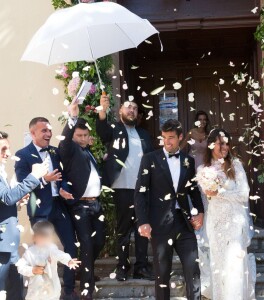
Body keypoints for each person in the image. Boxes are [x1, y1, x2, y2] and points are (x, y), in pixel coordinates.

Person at [135, 119, 204, 300]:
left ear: (181, 137)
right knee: (162, 276)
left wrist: (200, 212)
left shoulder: (188, 161)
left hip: (184, 224)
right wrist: (143, 221)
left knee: (193, 271)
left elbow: (193, 190)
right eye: (164, 137)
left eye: (171, 138)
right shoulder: (149, 159)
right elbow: (140, 193)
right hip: (159, 225)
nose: (167, 142)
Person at [14, 117, 78, 300]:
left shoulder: (55, 152)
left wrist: (63, 188)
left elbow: (62, 175)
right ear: (33, 133)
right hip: (39, 210)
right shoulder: (22, 155)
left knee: (70, 245)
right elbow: (23, 184)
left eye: (49, 130)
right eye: (44, 131)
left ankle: (68, 290)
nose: (49, 134)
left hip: (58, 205)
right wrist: (44, 180)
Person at [96, 95, 154, 281]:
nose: (131, 110)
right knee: (123, 230)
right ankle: (122, 265)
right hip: (122, 188)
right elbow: (102, 132)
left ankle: (141, 267)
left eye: (135, 108)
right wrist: (102, 110)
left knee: (143, 229)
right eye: (128, 107)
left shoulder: (144, 134)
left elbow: (152, 159)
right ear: (120, 111)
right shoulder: (114, 129)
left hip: (142, 190)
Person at [197, 129, 256, 300]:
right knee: (219, 265)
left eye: (226, 143)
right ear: (210, 145)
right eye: (220, 143)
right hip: (215, 222)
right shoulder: (203, 169)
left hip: (235, 222)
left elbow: (244, 194)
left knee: (234, 265)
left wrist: (220, 193)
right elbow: (205, 198)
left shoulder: (235, 165)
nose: (224, 147)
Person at [58, 102, 105, 300]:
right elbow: (65, 140)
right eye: (79, 135)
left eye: (86, 135)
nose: (83, 139)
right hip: (80, 205)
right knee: (86, 246)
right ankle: (87, 291)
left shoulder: (88, 151)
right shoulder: (69, 149)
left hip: (96, 204)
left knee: (99, 241)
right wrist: (72, 117)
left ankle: (84, 269)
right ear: (73, 136)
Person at [0, 131, 48, 300]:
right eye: (3, 149)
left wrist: (17, 202)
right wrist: (34, 176)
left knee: (15, 292)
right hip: (2, 247)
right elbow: (6, 197)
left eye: (8, 148)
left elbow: (6, 200)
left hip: (8, 247)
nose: (8, 153)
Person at [181, 111, 211, 298]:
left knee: (207, 202)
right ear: (195, 121)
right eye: (199, 119)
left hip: (207, 170)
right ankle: (197, 230)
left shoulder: (210, 135)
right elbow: (182, 148)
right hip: (194, 169)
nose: (202, 122)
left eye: (204, 119)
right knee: (196, 200)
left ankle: (207, 229)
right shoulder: (191, 133)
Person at [17, 221, 81, 300]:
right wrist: (32, 270)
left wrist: (68, 261)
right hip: (35, 291)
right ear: (34, 237)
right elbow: (21, 266)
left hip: (51, 290)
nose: (44, 239)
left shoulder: (51, 248)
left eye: (46, 237)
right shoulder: (29, 252)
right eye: (41, 236)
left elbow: (59, 255)